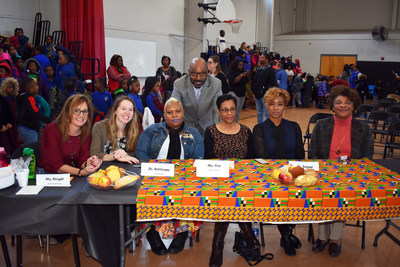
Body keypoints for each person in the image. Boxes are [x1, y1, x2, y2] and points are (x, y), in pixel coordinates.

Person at [309, 85, 374, 257]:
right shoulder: (321, 125)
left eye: (347, 102)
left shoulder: (364, 128)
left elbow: (367, 159)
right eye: (338, 102)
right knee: (321, 195)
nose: (343, 106)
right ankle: (322, 238)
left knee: (342, 196)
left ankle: (336, 239)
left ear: (354, 106)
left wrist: (355, 175)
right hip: (324, 173)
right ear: (332, 105)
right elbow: (314, 154)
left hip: (352, 176)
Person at [135, 98, 204, 255]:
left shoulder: (193, 133)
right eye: (170, 112)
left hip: (183, 179)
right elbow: (140, 155)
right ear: (163, 115)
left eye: (178, 111)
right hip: (154, 177)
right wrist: (158, 170)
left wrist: (180, 174)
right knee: (148, 194)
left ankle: (181, 232)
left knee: (189, 194)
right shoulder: (152, 131)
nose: (174, 115)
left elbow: (198, 159)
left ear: (183, 113)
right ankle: (152, 231)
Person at [204, 94, 258, 267]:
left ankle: (217, 245)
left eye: (232, 109)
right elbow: (208, 161)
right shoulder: (211, 131)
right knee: (227, 198)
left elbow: (251, 160)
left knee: (235, 197)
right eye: (225, 110)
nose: (229, 113)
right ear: (218, 111)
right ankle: (248, 236)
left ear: (237, 109)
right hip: (218, 181)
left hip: (242, 181)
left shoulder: (245, 131)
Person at [253, 87, 304, 256]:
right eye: (271, 104)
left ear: (285, 106)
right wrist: (281, 175)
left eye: (280, 104)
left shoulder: (295, 127)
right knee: (280, 195)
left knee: (301, 194)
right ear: (266, 106)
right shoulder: (259, 129)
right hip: (271, 178)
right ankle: (287, 236)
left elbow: (300, 156)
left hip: (293, 176)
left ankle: (286, 235)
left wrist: (293, 174)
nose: (275, 108)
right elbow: (262, 159)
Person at [40, 94, 102, 175]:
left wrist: (87, 163)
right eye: (76, 111)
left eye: (84, 111)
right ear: (67, 112)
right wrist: (80, 172)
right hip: (50, 178)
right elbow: (54, 164)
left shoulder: (86, 133)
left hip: (72, 178)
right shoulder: (52, 130)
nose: (81, 115)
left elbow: (81, 161)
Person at [172, 57, 222, 136]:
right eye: (194, 74)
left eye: (203, 74)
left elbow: (217, 110)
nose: (198, 78)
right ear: (189, 72)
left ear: (207, 72)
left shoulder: (216, 84)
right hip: (186, 128)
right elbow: (174, 106)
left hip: (208, 127)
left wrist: (217, 133)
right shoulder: (179, 84)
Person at [90, 96, 140, 164]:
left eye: (131, 110)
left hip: (126, 170)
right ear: (115, 110)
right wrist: (116, 157)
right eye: (123, 109)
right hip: (103, 170)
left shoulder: (134, 130)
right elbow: (94, 154)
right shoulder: (99, 127)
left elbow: (132, 155)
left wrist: (126, 156)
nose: (127, 112)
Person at [16, 78, 52, 144]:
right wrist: (48, 120)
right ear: (31, 89)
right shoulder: (30, 98)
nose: (37, 87)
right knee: (32, 149)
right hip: (28, 128)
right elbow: (35, 112)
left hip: (22, 127)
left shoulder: (21, 97)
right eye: (35, 85)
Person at [252, 53, 278, 123]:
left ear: (266, 59)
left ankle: (267, 127)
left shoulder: (271, 70)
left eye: (262, 58)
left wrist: (264, 91)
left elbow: (272, 84)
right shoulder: (259, 69)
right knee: (259, 112)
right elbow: (255, 81)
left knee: (267, 113)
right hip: (257, 95)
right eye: (260, 58)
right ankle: (260, 126)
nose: (260, 59)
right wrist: (254, 91)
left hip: (266, 95)